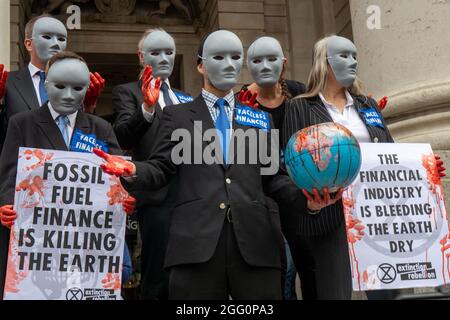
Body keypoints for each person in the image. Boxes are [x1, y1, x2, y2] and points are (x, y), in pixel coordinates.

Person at [94, 30, 303, 300]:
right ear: (201, 65)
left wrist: (306, 196)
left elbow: (273, 177)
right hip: (195, 248)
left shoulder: (259, 118)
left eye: (235, 57)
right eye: (219, 56)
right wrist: (134, 169)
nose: (229, 64)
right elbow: (161, 168)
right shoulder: (176, 116)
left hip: (255, 246)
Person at [281, 35, 446, 300]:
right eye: (344, 56)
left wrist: (423, 169)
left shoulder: (367, 105)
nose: (353, 62)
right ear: (325, 62)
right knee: (336, 293)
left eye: (355, 56)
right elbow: (291, 164)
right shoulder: (299, 107)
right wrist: (309, 201)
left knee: (387, 295)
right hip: (330, 216)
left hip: (378, 216)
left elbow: (390, 153)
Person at [0, 51, 135, 299]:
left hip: (89, 243)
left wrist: (125, 197)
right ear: (47, 83)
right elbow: (9, 172)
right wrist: (6, 203)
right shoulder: (22, 123)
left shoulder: (101, 127)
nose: (68, 95)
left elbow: (119, 177)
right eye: (60, 86)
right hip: (38, 242)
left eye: (77, 88)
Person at [112, 28, 192, 300]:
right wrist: (146, 108)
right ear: (141, 56)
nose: (163, 58)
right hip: (156, 197)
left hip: (191, 197)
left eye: (169, 52)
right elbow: (122, 136)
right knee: (157, 277)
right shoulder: (127, 93)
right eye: (155, 52)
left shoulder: (186, 97)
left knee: (188, 276)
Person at [238, 36, 306, 300]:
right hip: (266, 196)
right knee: (284, 270)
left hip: (303, 190)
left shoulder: (299, 92)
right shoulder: (242, 100)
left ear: (284, 63)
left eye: (272, 59)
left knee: (308, 266)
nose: (265, 65)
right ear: (249, 65)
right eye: (257, 60)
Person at [0, 14, 105, 151]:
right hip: (23, 167)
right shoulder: (9, 82)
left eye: (61, 39)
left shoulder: (76, 85)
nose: (56, 43)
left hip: (66, 167)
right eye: (47, 37)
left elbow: (87, 139)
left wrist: (88, 108)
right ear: (28, 44)